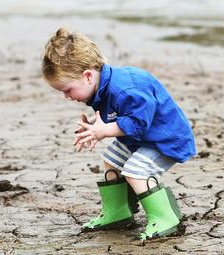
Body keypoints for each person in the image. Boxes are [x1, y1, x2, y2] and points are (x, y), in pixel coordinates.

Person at [41, 27, 196, 240]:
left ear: (87, 76)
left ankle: (166, 218)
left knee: (135, 170)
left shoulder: (124, 87)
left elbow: (139, 122)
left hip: (166, 140)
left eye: (67, 89)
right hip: (141, 139)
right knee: (111, 159)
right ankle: (118, 212)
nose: (66, 96)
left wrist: (103, 131)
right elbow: (117, 113)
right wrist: (95, 124)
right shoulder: (102, 87)